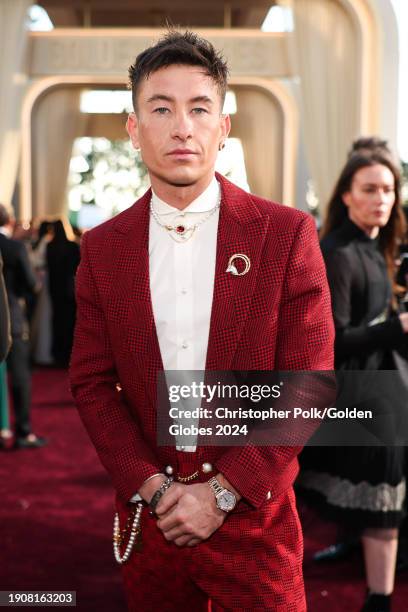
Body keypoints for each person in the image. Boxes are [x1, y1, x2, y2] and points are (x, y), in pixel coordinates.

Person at [69, 30, 334, 611]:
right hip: (153, 521)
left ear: (223, 127)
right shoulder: (103, 249)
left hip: (255, 521)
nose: (181, 126)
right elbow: (91, 383)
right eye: (160, 109)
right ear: (134, 130)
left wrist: (221, 492)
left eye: (199, 108)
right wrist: (153, 486)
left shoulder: (285, 235)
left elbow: (310, 383)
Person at [298, 148, 407, 612]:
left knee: (383, 503)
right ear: (346, 196)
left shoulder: (371, 242)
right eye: (369, 189)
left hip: (378, 383)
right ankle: (378, 601)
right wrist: (397, 327)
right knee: (383, 504)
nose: (381, 198)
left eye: (388, 189)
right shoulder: (339, 252)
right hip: (358, 392)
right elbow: (334, 341)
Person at [0, 204, 47, 449]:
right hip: (11, 319)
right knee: (19, 378)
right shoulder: (15, 248)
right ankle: (23, 432)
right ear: (9, 222)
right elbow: (31, 285)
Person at [46, 219, 80, 367]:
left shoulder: (49, 246)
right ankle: (68, 355)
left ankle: (58, 354)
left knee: (56, 321)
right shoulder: (73, 246)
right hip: (69, 290)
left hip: (54, 289)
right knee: (70, 322)